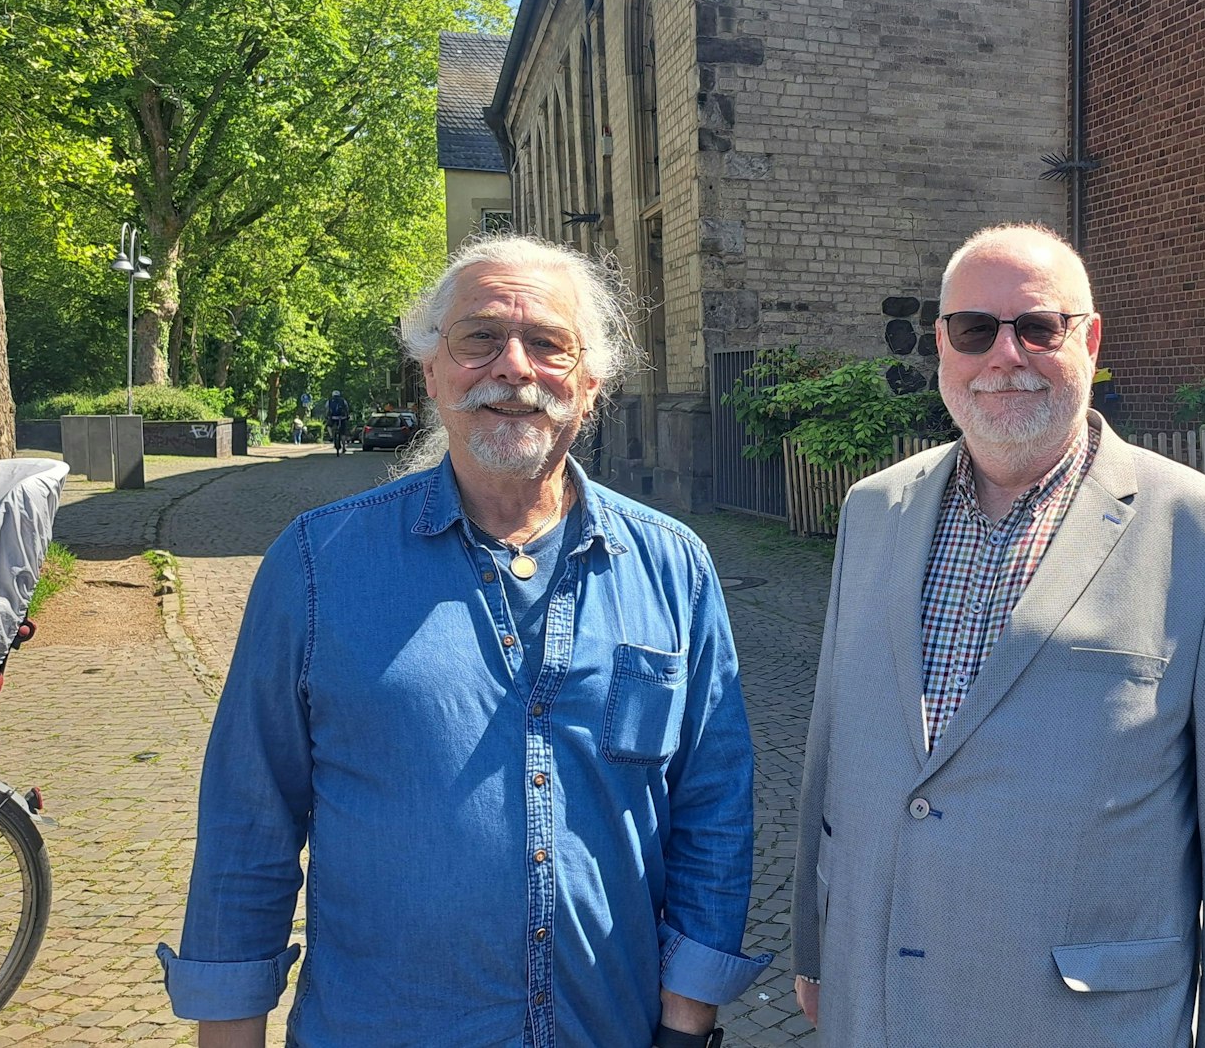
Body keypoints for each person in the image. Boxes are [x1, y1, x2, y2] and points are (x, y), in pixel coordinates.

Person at [159, 235, 769, 1048]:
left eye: (548, 343)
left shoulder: (674, 566)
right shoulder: (317, 565)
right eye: (479, 337)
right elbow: (248, 822)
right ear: (432, 373)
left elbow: (712, 807)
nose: (513, 367)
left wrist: (686, 1024)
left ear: (591, 384)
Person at [792, 223, 1205, 1047]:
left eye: (1038, 326)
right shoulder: (873, 509)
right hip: (877, 1002)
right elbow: (834, 751)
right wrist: (819, 948)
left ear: (1090, 340)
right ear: (942, 347)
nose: (1006, 355)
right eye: (975, 330)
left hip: (1083, 1021)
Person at [323, 390, 350, 454]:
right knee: (343, 433)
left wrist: (327, 416)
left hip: (333, 418)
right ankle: (344, 447)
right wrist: (347, 416)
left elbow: (327, 409)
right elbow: (347, 408)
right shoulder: (343, 400)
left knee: (328, 426)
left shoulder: (329, 401)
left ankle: (331, 436)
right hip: (342, 418)